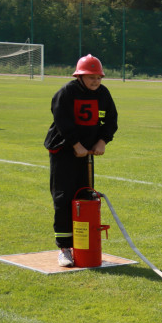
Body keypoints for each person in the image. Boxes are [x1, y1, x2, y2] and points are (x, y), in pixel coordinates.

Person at [43, 55, 118, 267]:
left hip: (87, 155)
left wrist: (103, 141)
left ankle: (83, 245)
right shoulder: (66, 93)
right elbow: (62, 121)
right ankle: (64, 247)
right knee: (64, 198)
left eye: (98, 77)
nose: (95, 81)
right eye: (90, 77)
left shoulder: (103, 94)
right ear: (79, 76)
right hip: (64, 151)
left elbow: (110, 120)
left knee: (85, 197)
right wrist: (76, 145)